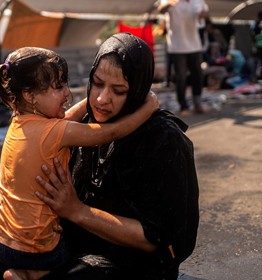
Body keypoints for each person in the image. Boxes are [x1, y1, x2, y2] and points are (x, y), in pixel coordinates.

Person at [0, 46, 159, 280]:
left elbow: (64, 120)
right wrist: (148, 107)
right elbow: (110, 132)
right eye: (59, 87)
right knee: (65, 254)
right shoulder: (57, 132)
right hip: (33, 245)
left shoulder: (20, 121)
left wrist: (92, 101)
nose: (67, 93)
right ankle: (24, 275)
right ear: (30, 95)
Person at [34, 33, 200, 279]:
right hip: (82, 245)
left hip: (138, 265)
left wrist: (77, 210)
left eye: (119, 90)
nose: (102, 99)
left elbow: (156, 238)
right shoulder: (85, 127)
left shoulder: (162, 140)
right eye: (98, 83)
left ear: (138, 91)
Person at [158, 0, 209, 115]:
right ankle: (183, 106)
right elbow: (161, 9)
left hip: (194, 45)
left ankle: (197, 104)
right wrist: (170, 3)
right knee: (181, 77)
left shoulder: (197, 1)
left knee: (198, 74)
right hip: (177, 46)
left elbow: (204, 14)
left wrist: (203, 13)